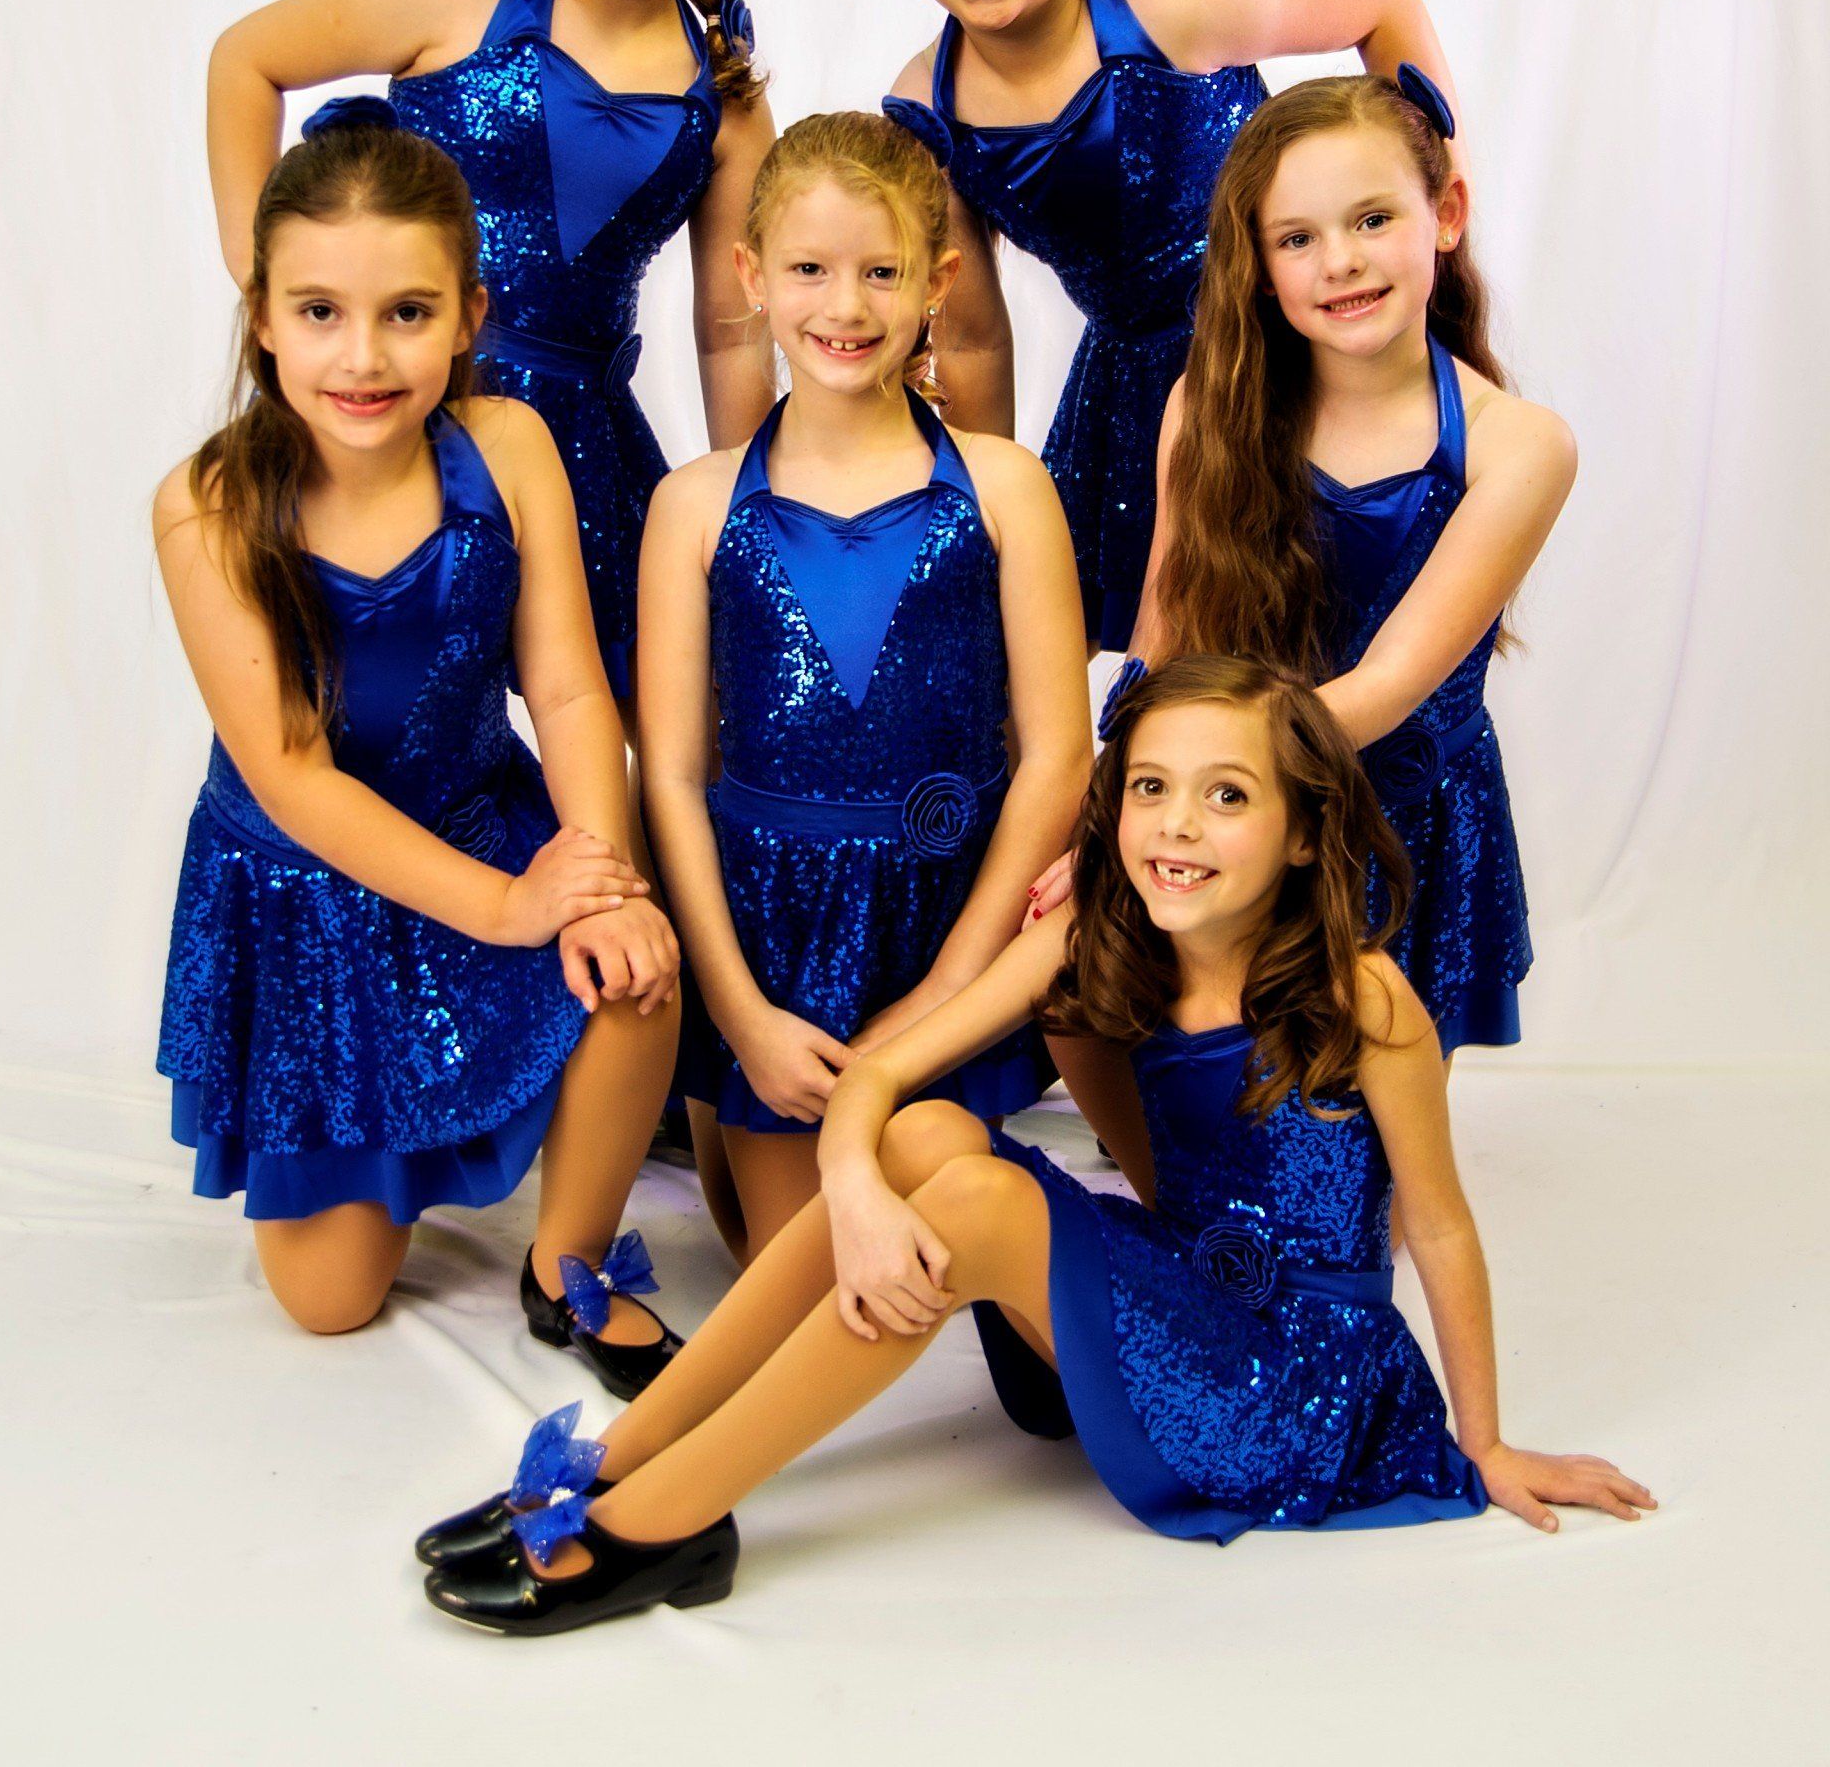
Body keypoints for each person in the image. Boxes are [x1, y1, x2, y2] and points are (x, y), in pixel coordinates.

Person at [415, 657, 1651, 1635]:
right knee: (931, 1132)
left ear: (1301, 831)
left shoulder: (1365, 995)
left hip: (1290, 1381)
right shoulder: (1103, 938)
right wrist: (850, 1177)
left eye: (1229, 794)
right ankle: (623, 1451)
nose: (1178, 822)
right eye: (1154, 786)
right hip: (1173, 1300)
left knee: (984, 1207)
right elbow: (889, 1072)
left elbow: (1436, 1221)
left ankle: (667, 1522)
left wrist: (1484, 1439)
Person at [154, 109, 683, 1386]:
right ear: (264, 316)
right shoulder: (211, 506)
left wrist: (595, 872)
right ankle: (386, 1148)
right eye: (321, 311)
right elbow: (294, 777)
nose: (363, 356)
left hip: (475, 816)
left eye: (406, 311)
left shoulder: (507, 447)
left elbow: (562, 688)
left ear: (469, 314)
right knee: (331, 1302)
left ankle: (566, 1257)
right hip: (309, 897)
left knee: (637, 970)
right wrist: (512, 910)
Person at [206, 0, 775, 702]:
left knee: (648, 700)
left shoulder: (725, 93)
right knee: (382, 694)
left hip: (582, 447)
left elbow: (730, 326)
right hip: (392, 402)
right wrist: (263, 276)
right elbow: (245, 60)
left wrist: (746, 500)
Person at [882, 0, 1463, 653]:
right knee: (1134, 658)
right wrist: (985, 501)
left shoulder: (1168, 10)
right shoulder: (929, 107)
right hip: (1129, 394)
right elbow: (977, 334)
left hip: (1283, 343)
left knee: (1322, 628)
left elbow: (1382, 3)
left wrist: (1440, 188)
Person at [1036, 68, 1571, 1057]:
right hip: (1227, 805)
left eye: (1372, 218)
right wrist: (1117, 812)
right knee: (1067, 977)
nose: (1342, 261)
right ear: (1260, 262)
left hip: (1391, 825)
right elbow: (1164, 630)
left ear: (1445, 213)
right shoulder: (1209, 401)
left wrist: (1193, 789)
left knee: (1336, 1171)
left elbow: (1384, 685)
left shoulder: (1519, 445)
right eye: (1298, 237)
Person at [637, 111, 1093, 1259]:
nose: (845, 307)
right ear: (751, 275)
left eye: (881, 273)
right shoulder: (693, 506)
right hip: (768, 932)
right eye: (809, 270)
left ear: (936, 280)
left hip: (946, 916)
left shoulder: (1004, 486)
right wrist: (739, 1012)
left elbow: (1056, 754)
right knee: (786, 1265)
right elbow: (677, 773)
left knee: (927, 1222)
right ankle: (712, 1087)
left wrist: (948, 987)